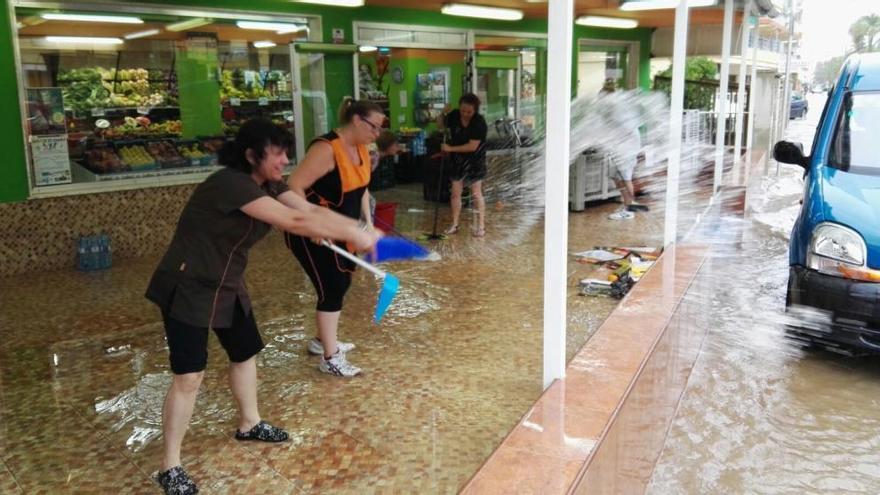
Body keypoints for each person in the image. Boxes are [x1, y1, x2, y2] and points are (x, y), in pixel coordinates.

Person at [145, 118, 380, 495]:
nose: (286, 160)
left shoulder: (267, 183)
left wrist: (351, 226)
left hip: (227, 283)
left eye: (288, 152)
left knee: (244, 353)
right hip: (189, 283)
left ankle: (249, 423)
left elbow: (306, 210)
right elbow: (291, 219)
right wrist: (353, 232)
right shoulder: (231, 185)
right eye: (279, 153)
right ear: (252, 155)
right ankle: (170, 466)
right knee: (189, 376)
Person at [285, 98, 385, 377]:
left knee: (340, 284)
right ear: (357, 120)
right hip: (312, 233)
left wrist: (366, 222)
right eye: (374, 127)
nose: (377, 134)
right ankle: (330, 358)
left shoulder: (363, 148)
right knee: (331, 287)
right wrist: (313, 226)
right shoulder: (327, 149)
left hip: (342, 230)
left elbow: (363, 188)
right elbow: (293, 185)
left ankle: (321, 341)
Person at [438, 93, 488, 237]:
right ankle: (454, 224)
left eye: (469, 112)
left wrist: (449, 148)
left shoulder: (479, 122)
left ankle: (481, 226)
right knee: (455, 194)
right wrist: (443, 112)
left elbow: (472, 146)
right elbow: (441, 125)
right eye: (462, 111)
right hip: (457, 161)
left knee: (476, 193)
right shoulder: (453, 115)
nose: (465, 114)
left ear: (475, 110)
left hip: (475, 161)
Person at [600, 80, 644, 220]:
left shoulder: (619, 110)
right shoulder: (614, 109)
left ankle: (629, 209)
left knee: (625, 178)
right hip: (620, 146)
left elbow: (623, 129)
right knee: (615, 176)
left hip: (627, 147)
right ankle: (627, 203)